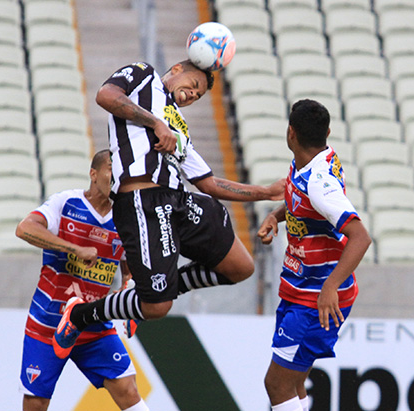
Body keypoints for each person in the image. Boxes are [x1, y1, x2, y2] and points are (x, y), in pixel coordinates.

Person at [52, 59, 285, 356]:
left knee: (241, 267)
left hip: (179, 200)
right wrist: (154, 123)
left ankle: (153, 286)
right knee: (157, 307)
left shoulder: (179, 128)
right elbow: (106, 96)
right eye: (194, 86)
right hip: (142, 201)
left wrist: (266, 192)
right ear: (176, 69)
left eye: (198, 96)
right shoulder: (144, 76)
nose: (192, 95)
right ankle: (80, 315)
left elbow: (209, 183)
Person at [14, 149, 197, 411]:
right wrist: (73, 247)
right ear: (94, 173)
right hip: (49, 323)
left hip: (94, 324)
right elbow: (25, 229)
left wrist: (129, 295)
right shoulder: (65, 203)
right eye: (112, 168)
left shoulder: (127, 216)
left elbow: (130, 267)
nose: (118, 175)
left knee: (129, 391)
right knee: (35, 402)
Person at [240, 99, 371, 411]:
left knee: (276, 384)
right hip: (298, 289)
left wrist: (331, 285)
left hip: (316, 297)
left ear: (290, 133)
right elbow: (303, 204)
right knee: (292, 385)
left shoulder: (319, 181)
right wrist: (277, 216)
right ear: (326, 135)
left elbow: (359, 236)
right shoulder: (310, 166)